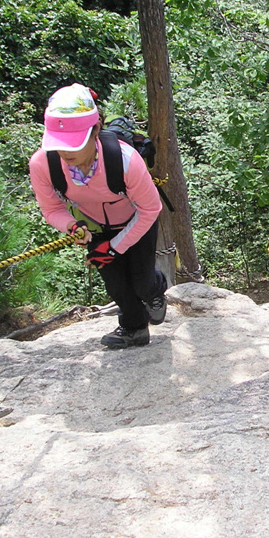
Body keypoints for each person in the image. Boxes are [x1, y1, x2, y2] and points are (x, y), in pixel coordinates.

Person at [28, 83, 167, 348]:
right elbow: (51, 209)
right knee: (116, 285)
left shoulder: (125, 160)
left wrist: (115, 247)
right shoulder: (43, 164)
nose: (65, 152)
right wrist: (72, 226)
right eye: (59, 145)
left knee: (142, 281)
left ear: (95, 131)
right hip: (95, 226)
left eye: (74, 144)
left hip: (138, 219)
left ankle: (156, 288)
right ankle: (134, 328)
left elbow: (150, 209)